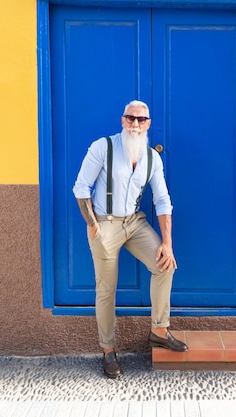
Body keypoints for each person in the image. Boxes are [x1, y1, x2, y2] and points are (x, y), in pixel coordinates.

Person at [72, 100, 188, 379]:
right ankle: (108, 350)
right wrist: (92, 224)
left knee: (165, 264)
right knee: (106, 288)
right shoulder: (103, 147)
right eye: (130, 119)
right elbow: (81, 187)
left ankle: (159, 331)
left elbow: (162, 200)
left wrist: (167, 242)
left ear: (149, 124)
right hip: (105, 224)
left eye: (141, 120)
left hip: (134, 222)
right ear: (122, 120)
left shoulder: (152, 158)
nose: (135, 124)